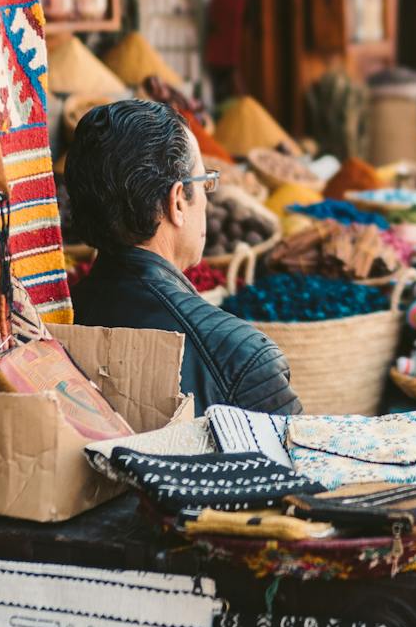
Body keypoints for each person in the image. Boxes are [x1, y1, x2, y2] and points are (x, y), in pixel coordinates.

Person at [65, 100, 300, 413]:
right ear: (177, 202)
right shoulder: (241, 359)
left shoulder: (56, 324)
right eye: (204, 182)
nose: (206, 197)